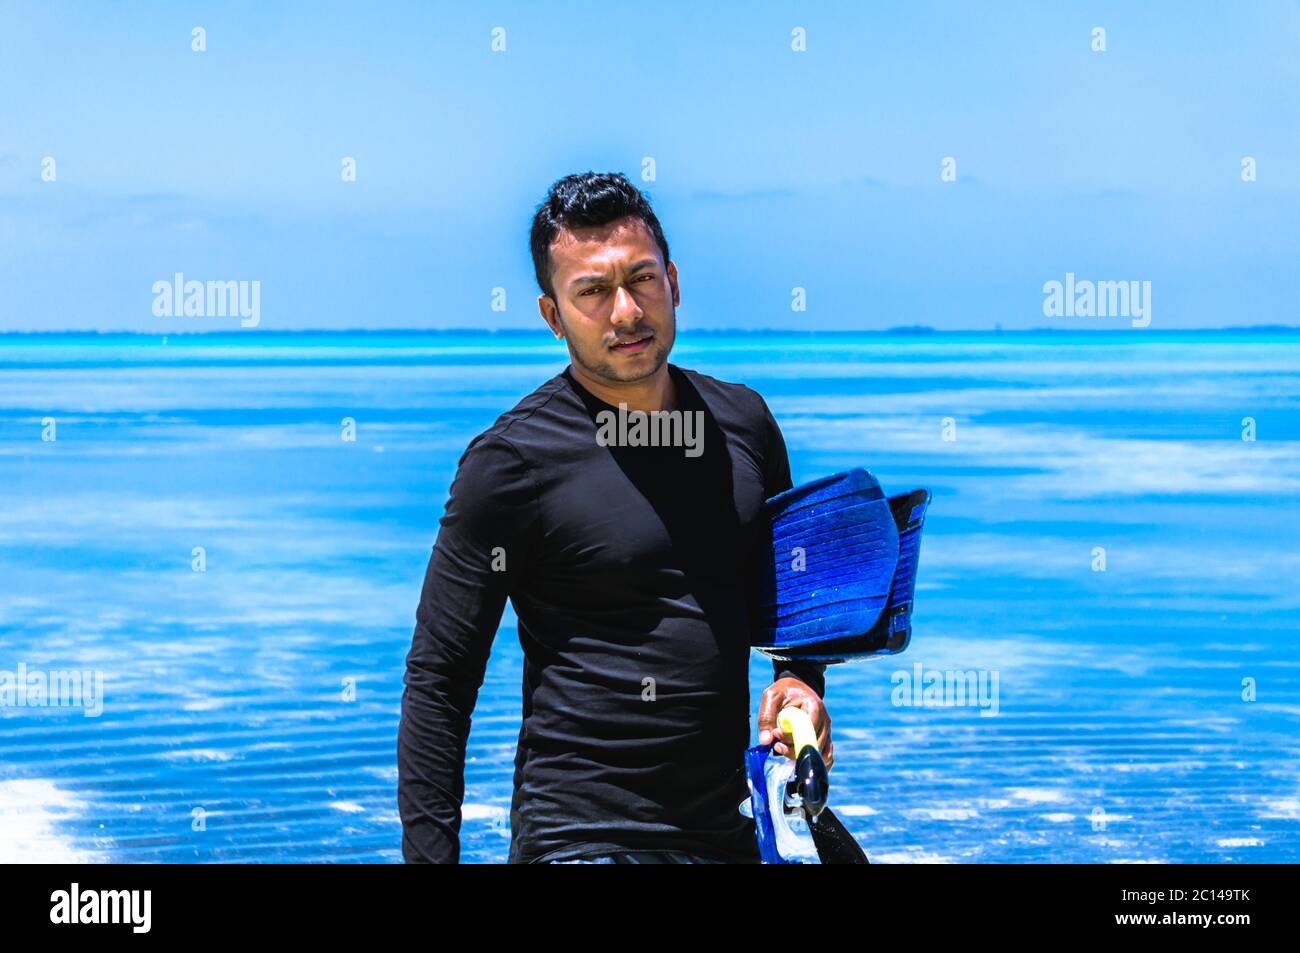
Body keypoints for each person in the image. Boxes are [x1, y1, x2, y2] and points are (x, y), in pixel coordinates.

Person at [396, 171, 833, 864]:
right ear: (552, 315)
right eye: (593, 292)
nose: (625, 310)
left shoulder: (742, 425)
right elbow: (440, 683)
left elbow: (796, 614)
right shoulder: (510, 464)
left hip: (729, 833)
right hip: (580, 840)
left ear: (675, 281)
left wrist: (800, 681)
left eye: (641, 279)